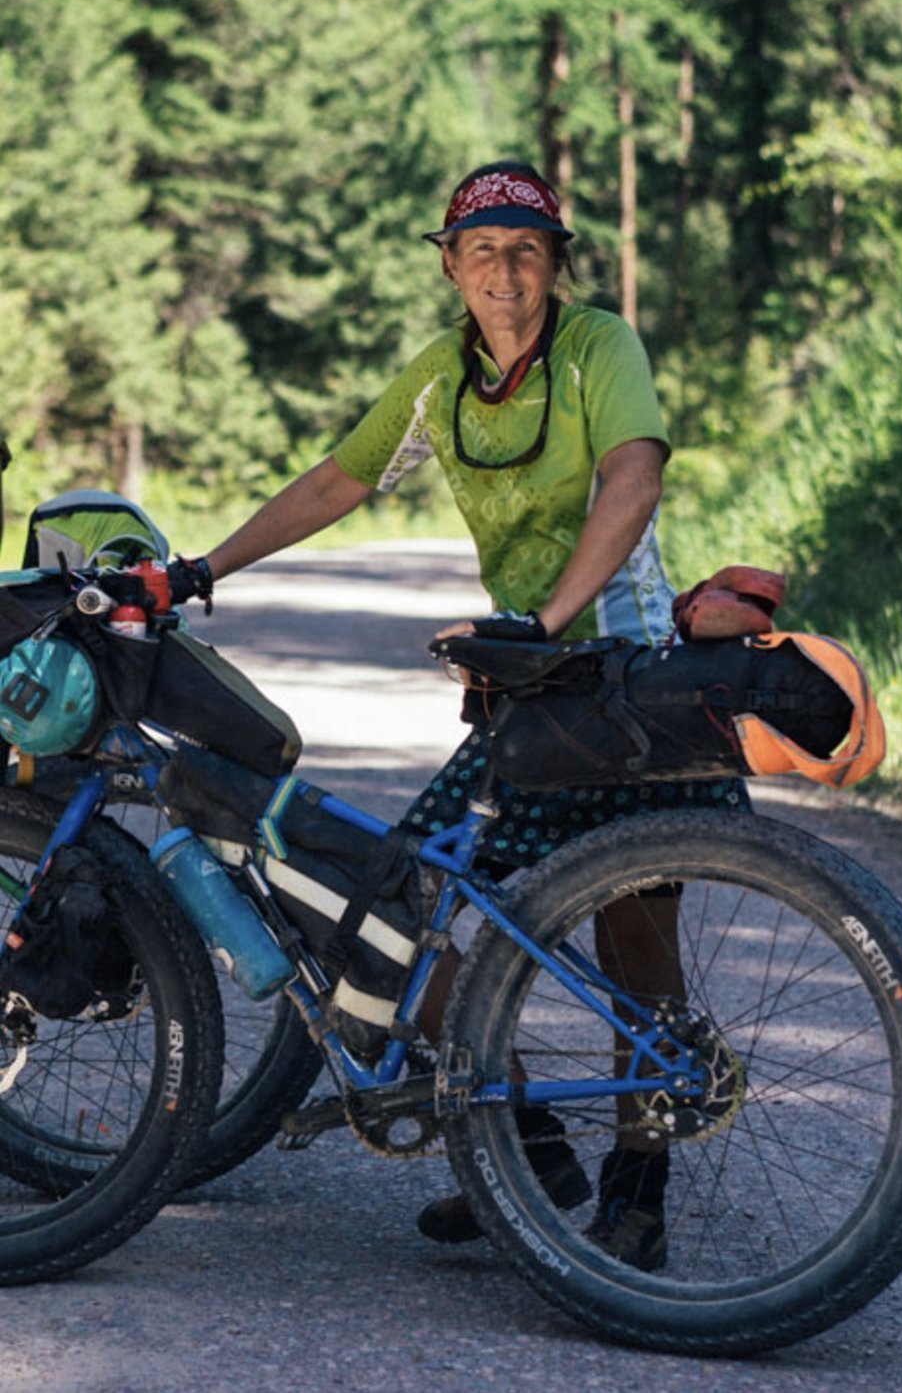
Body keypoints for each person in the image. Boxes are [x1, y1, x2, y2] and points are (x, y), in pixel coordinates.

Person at [172, 160, 748, 1271]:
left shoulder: (598, 350)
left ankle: (640, 1186)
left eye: (526, 250)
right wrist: (206, 566)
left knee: (636, 930)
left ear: (557, 264)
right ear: (450, 266)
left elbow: (634, 476)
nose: (505, 271)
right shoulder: (443, 378)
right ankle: (524, 1147)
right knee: (404, 904)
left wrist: (552, 616)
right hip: (525, 683)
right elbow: (337, 481)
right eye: (481, 251)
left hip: (622, 674)